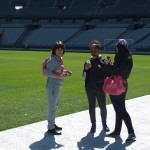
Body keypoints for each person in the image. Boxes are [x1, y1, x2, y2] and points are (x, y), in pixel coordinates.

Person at [106, 39, 136, 143]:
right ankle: (117, 131)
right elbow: (115, 69)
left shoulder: (127, 59)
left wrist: (109, 65)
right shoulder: (120, 57)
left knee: (122, 110)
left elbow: (118, 71)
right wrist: (111, 65)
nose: (116, 49)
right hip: (115, 84)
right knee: (117, 109)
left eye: (118, 47)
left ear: (122, 48)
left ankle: (131, 133)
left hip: (120, 85)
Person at [83, 40, 110, 133]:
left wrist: (107, 64)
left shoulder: (103, 61)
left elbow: (108, 73)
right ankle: (93, 124)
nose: (93, 53)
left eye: (95, 51)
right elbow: (84, 76)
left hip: (101, 87)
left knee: (102, 107)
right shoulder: (87, 61)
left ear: (99, 51)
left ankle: (104, 124)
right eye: (92, 51)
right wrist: (86, 69)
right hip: (90, 88)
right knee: (91, 106)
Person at [46, 41, 72, 135]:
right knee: (52, 107)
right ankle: (50, 127)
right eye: (58, 49)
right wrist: (61, 76)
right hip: (53, 86)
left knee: (54, 106)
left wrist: (65, 72)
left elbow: (57, 71)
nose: (60, 51)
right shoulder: (53, 59)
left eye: (61, 49)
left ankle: (52, 124)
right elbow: (48, 73)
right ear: (54, 50)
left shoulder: (58, 59)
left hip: (57, 85)